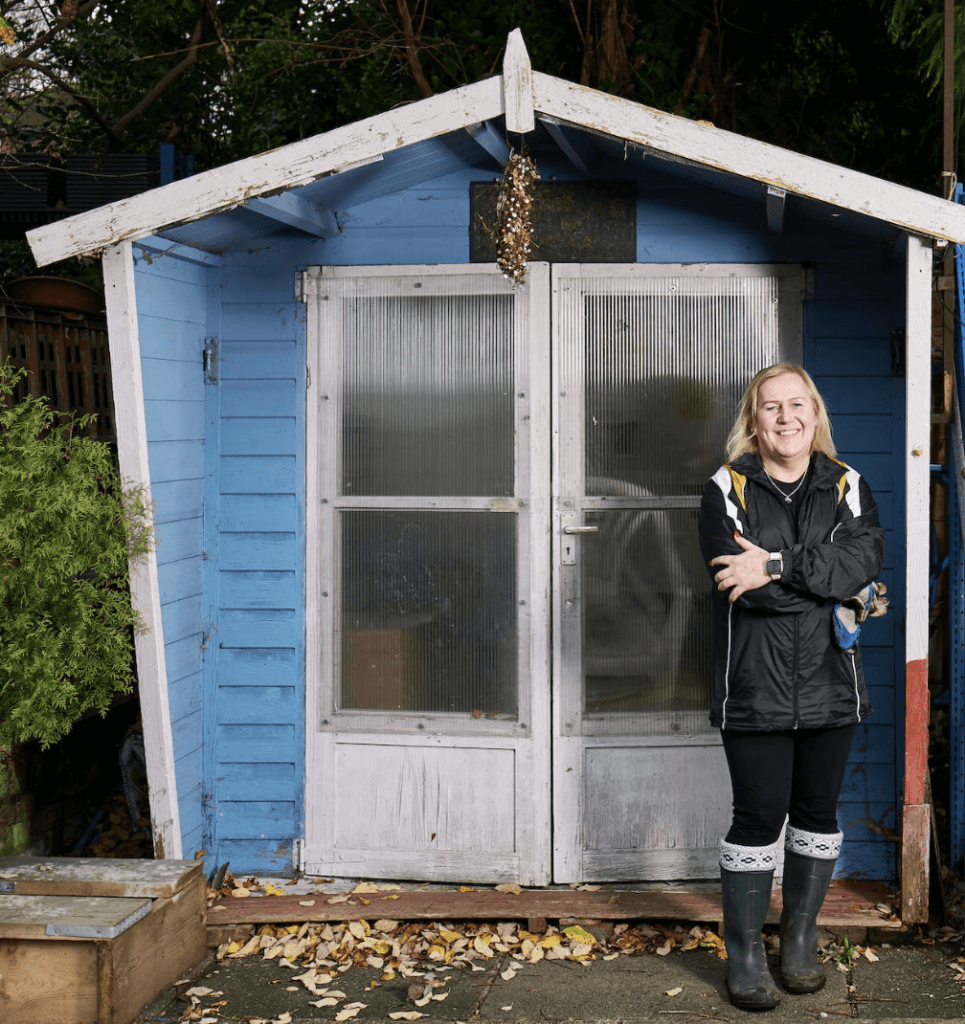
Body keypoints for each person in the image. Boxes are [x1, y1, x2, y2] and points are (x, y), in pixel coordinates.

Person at [697, 363, 885, 1011]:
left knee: (815, 814)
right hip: (753, 686)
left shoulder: (847, 484)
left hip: (831, 683)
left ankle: (798, 938)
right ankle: (745, 950)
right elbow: (737, 588)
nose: (785, 417)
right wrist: (821, 581)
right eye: (771, 407)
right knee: (757, 816)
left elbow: (861, 564)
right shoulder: (726, 487)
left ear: (814, 413)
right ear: (753, 419)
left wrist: (774, 564)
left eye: (796, 404)